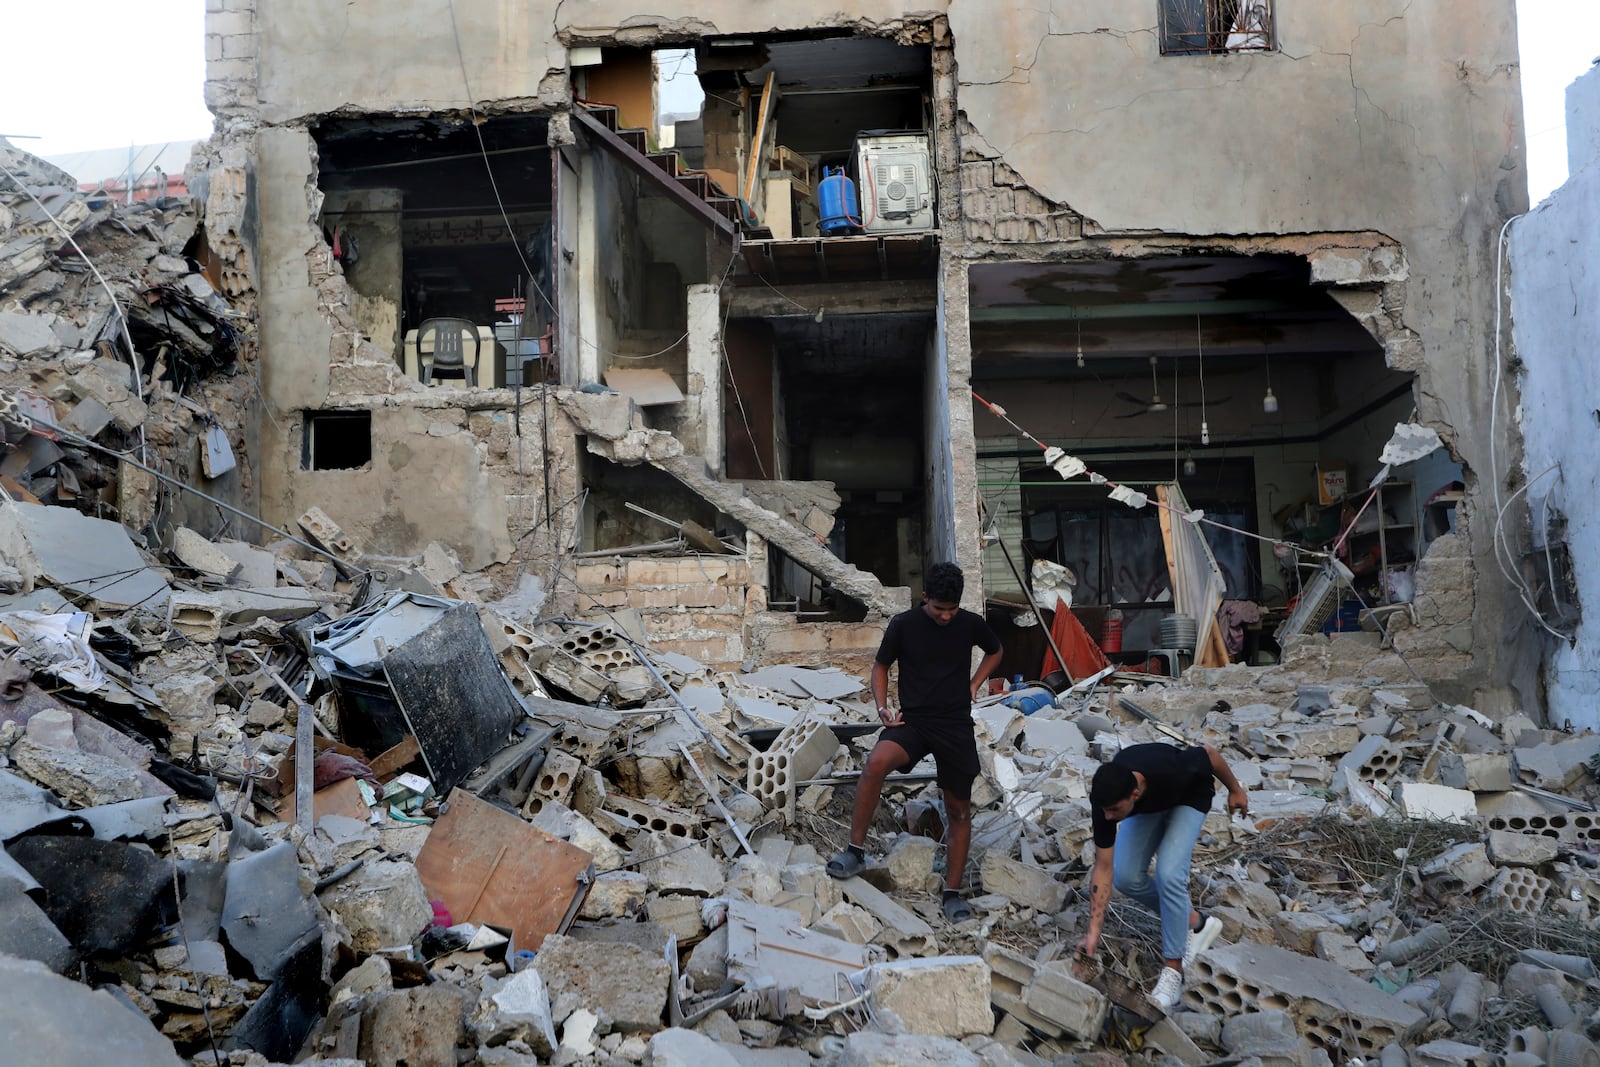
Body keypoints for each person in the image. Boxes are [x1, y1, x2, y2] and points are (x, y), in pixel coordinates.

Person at [826, 562, 1004, 923]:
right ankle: (855, 851)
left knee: (958, 808)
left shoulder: (969, 623)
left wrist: (974, 683)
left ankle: (952, 894)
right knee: (876, 762)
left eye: (952, 610)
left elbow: (996, 650)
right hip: (915, 721)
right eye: (939, 609)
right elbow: (880, 667)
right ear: (926, 598)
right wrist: (882, 708)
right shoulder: (903, 625)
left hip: (954, 724)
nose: (945, 617)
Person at [1079, 742, 1249, 1013]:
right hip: (1149, 807)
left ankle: (1173, 970)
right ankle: (1195, 922)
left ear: (1134, 793)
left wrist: (1235, 790)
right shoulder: (1106, 802)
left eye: (1113, 810)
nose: (1108, 816)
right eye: (1104, 810)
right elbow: (1104, 867)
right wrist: (1093, 933)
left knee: (1169, 873)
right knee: (1125, 876)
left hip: (1189, 798)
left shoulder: (1172, 768)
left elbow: (1210, 754)